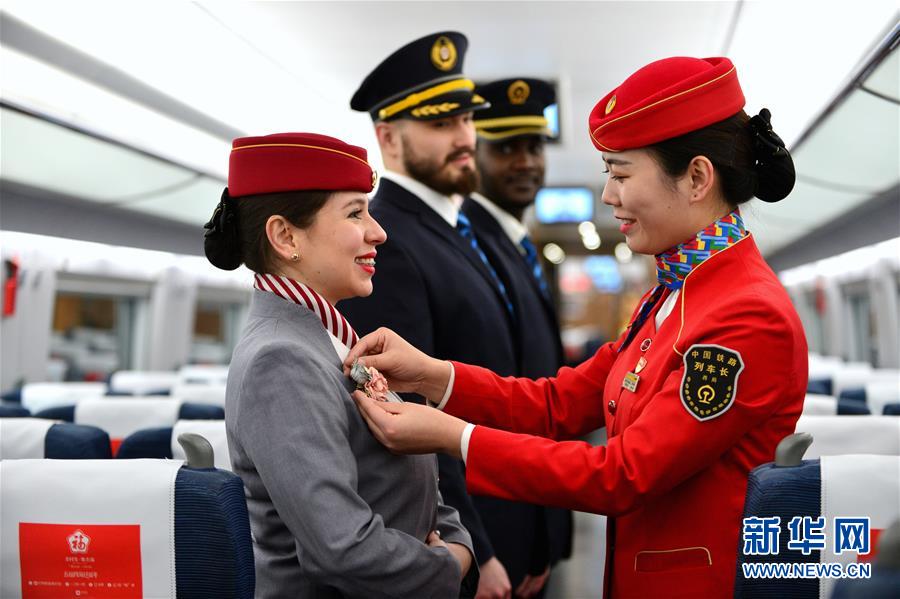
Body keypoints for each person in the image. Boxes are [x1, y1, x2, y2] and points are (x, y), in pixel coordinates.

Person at [345, 56, 808, 597]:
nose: (608, 195)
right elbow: (557, 404)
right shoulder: (674, 292)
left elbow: (623, 474)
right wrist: (433, 376)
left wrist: (455, 438)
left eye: (619, 173)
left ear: (698, 177)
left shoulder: (748, 315)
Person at [203, 132, 476, 598]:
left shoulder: (327, 338)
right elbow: (343, 548)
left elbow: (416, 479)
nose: (379, 231)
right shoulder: (281, 359)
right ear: (285, 236)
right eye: (355, 213)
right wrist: (449, 563)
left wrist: (457, 540)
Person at [340, 32, 539, 599]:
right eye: (441, 124)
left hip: (511, 505)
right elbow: (406, 416)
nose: (465, 138)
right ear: (388, 138)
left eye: (468, 120)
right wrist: (478, 548)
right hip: (473, 534)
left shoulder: (458, 230)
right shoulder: (387, 240)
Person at [463, 77, 573, 597]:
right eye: (506, 148)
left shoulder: (518, 245)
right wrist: (483, 546)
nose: (526, 161)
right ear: (473, 155)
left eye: (533, 146)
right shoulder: (471, 246)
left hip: (530, 516)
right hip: (494, 520)